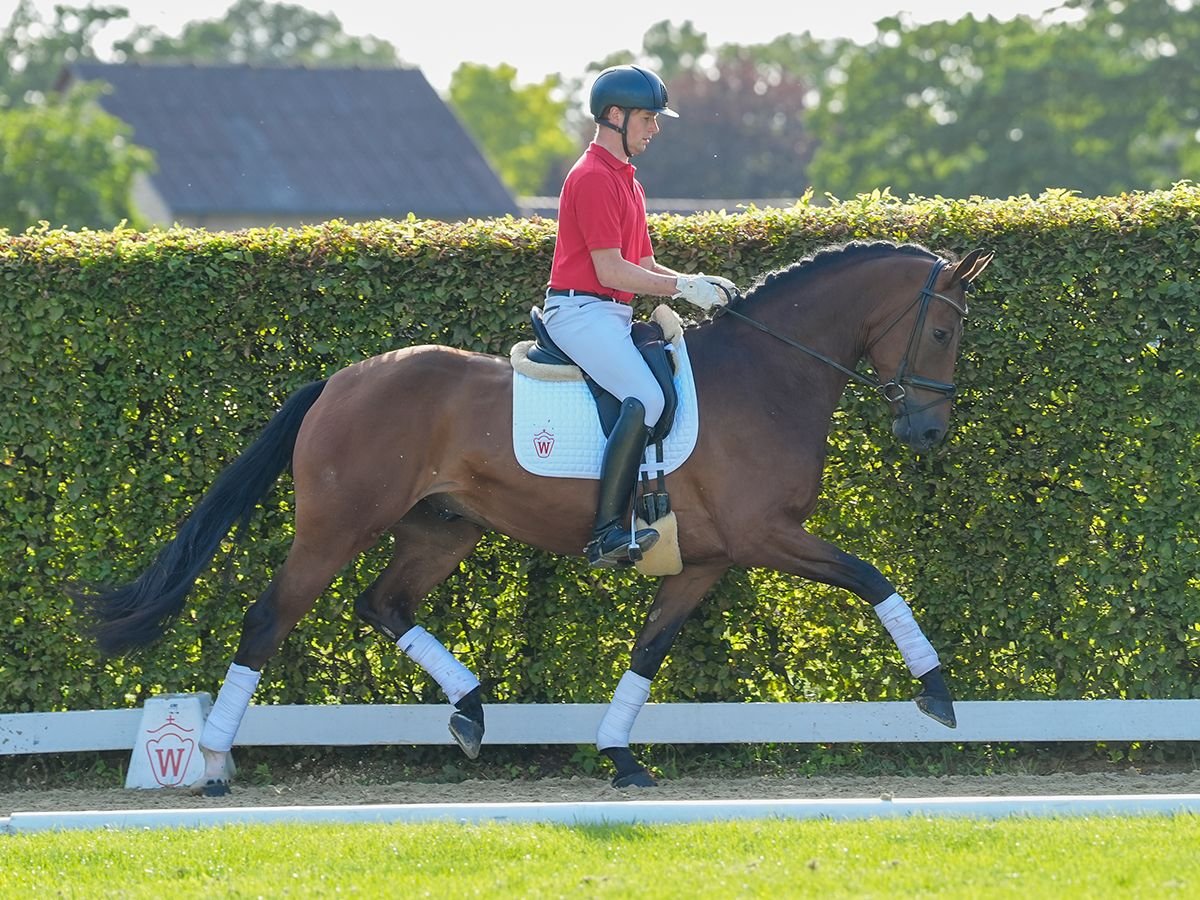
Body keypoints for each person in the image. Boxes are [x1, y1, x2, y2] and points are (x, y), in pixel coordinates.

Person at [541, 64, 736, 569]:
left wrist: (698, 284)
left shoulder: (628, 182)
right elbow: (610, 269)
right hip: (579, 312)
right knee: (645, 397)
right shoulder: (590, 178)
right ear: (614, 116)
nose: (655, 128)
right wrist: (682, 288)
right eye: (648, 118)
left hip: (609, 314)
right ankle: (605, 533)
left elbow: (643, 266)